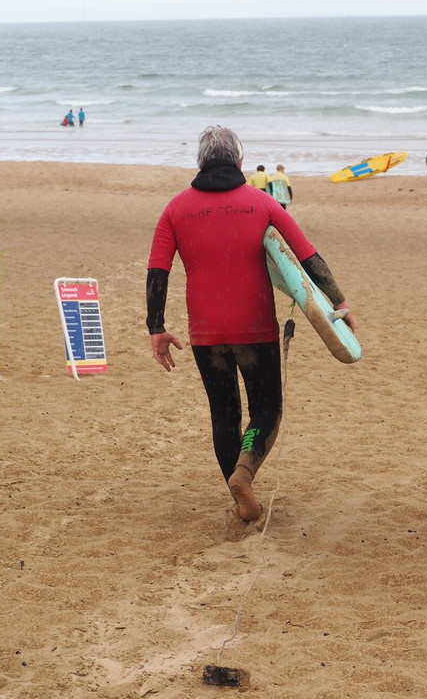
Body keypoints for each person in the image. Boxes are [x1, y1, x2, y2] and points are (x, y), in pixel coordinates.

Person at [146, 126, 355, 526]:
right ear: (239, 161)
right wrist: (339, 303)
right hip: (255, 328)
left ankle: (239, 495)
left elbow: (158, 270)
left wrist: (156, 327)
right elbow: (307, 256)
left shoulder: (175, 209)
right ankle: (245, 474)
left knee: (223, 413)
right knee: (267, 408)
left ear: (200, 162)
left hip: (205, 332)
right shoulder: (262, 204)